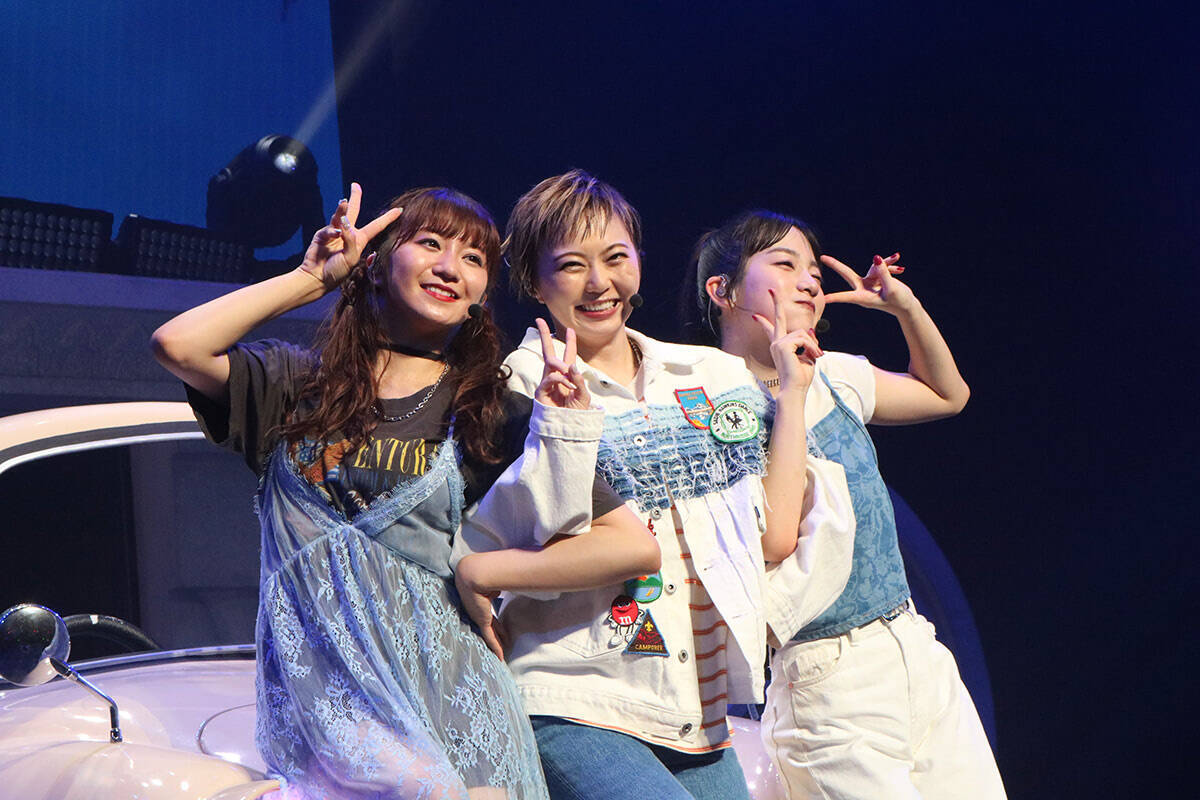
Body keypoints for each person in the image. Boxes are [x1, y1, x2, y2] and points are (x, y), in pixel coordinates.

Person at [150, 183, 658, 800]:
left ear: (480, 295)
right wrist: (311, 279)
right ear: (377, 264)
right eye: (430, 244)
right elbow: (178, 344)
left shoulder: (489, 409)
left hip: (455, 701)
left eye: (474, 258)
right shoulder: (295, 384)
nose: (451, 267)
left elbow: (630, 545)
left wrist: (481, 571)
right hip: (333, 709)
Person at [469, 170, 851, 800]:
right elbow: (539, 531)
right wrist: (559, 425)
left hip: (696, 712)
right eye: (571, 265)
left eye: (616, 257)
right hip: (574, 696)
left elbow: (773, 537)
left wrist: (792, 392)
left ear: (639, 262)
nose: (600, 283)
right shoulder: (516, 388)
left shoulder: (711, 373)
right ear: (534, 281)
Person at [688, 209, 1006, 799]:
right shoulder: (708, 408)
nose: (809, 282)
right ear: (722, 290)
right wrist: (789, 389)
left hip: (913, 647)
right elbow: (772, 539)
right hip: (827, 680)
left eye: (814, 270)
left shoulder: (834, 374)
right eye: (785, 265)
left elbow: (948, 394)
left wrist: (904, 308)